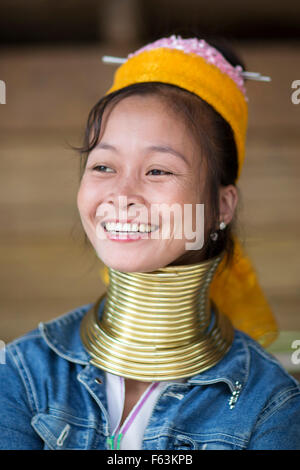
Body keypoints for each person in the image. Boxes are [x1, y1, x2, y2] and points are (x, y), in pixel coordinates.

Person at [1, 35, 300, 451]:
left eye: (159, 171)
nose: (122, 195)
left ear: (221, 205)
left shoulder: (270, 406)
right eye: (103, 165)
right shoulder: (22, 375)